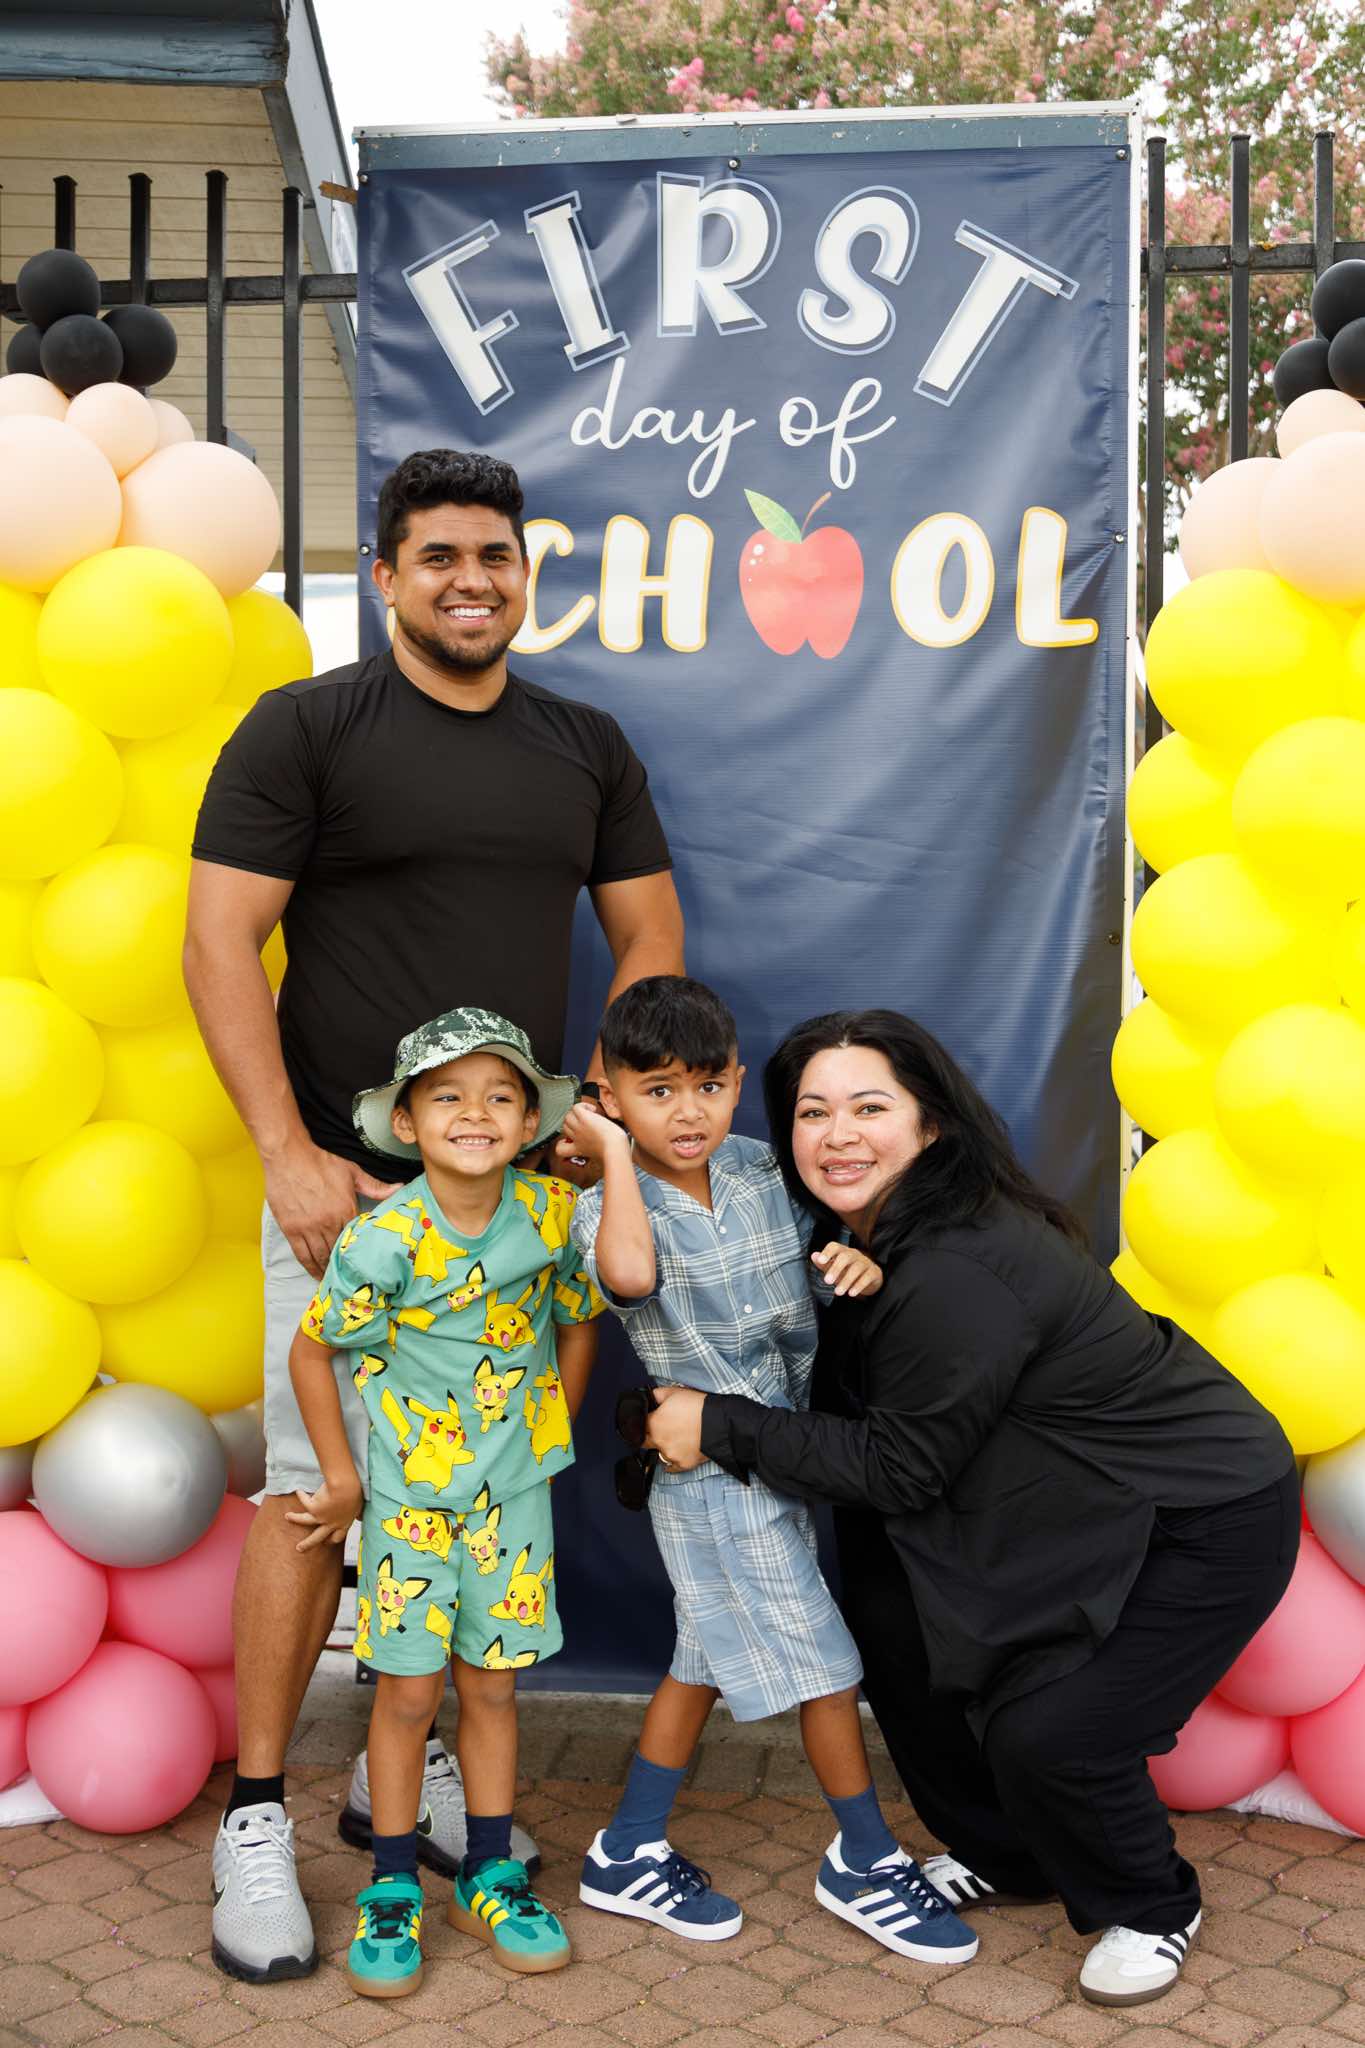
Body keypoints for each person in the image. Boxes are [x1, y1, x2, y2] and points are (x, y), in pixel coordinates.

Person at [186, 447, 684, 1984]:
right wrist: (284, 1151)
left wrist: (589, 1128)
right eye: (441, 556)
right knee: (312, 1493)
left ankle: (403, 1783)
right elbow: (217, 941)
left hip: (514, 1215)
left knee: (479, 1503)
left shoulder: (584, 746)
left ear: (523, 573)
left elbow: (649, 939)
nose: (473, 580)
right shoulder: (305, 728)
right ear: (387, 575)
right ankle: (256, 1819)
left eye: (496, 556)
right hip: (348, 1202)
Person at [645, 1009, 1299, 2011]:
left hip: (1201, 1511)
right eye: (812, 1112)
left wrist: (717, 1423)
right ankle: (1009, 1854)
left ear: (932, 1123)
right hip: (1053, 1488)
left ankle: (1152, 1903)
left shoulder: (960, 1262)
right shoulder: (866, 1235)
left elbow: (899, 1466)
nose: (837, 1134)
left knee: (1052, 1733)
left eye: (870, 1108)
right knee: (894, 1620)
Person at [560, 978, 978, 1965]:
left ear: (739, 1084)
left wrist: (853, 1268)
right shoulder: (603, 1205)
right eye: (657, 1090)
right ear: (609, 1097)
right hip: (707, 1471)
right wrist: (612, 1157)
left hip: (785, 1449)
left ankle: (626, 1848)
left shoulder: (758, 1168)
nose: (688, 1112)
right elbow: (628, 1277)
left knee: (701, 1659)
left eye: (708, 1086)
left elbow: (825, 1252)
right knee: (825, 1668)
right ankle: (864, 1857)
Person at [288, 1007, 603, 1994]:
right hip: (410, 1512)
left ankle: (490, 1872)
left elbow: (578, 1320)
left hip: (513, 1504)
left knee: (495, 1689)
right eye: (449, 1097)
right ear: (408, 1122)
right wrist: (343, 1479)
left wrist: (553, 1427)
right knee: (409, 1695)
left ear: (528, 1120)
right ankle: (391, 1885)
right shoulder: (384, 1238)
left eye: (501, 1096)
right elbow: (312, 1351)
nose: (477, 1113)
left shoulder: (551, 1215)